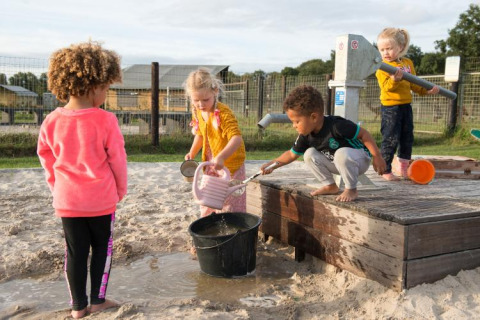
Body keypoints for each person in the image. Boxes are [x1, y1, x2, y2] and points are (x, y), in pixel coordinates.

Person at [37, 41, 127, 319]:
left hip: (68, 201)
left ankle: (78, 307)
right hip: (101, 201)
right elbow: (118, 160)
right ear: (93, 85)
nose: (107, 93)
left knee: (74, 253)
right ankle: (98, 300)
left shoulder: (51, 120)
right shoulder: (106, 120)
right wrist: (119, 190)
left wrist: (57, 187)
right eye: (106, 87)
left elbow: (46, 158)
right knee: (103, 249)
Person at [260, 85, 386, 202]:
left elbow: (365, 134)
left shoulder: (337, 125)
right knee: (309, 154)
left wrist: (377, 156)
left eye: (297, 121)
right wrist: (272, 164)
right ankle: (330, 186)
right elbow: (291, 154)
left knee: (341, 153)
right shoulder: (305, 135)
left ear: (313, 117)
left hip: (359, 160)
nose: (294, 126)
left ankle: (351, 189)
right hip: (337, 163)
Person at [376, 28, 440, 181]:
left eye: (389, 48)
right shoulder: (382, 67)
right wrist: (394, 80)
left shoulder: (407, 64)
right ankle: (385, 170)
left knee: (407, 137)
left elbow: (415, 85)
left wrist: (427, 91)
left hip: (406, 106)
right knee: (390, 137)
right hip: (390, 108)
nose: (385, 53)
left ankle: (403, 168)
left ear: (400, 47)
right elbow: (385, 88)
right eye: (382, 49)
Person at [184, 67, 246, 216]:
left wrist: (222, 157)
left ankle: (234, 229)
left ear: (215, 91)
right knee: (207, 198)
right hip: (211, 163)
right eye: (196, 100)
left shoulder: (223, 114)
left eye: (205, 100)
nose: (200, 104)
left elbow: (236, 138)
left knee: (231, 201)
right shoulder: (198, 111)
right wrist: (192, 153)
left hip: (230, 164)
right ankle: (209, 226)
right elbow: (200, 134)